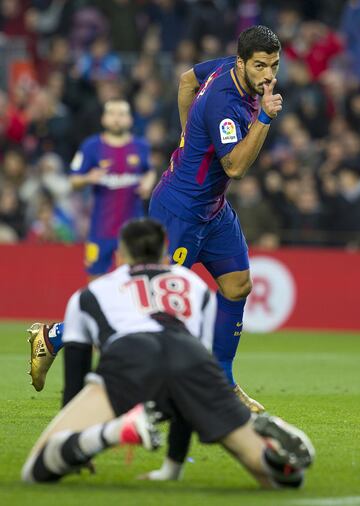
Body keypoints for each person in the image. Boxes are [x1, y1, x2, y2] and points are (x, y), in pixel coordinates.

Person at [22, 218, 314, 487]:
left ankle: (120, 430)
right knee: (279, 479)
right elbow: (189, 376)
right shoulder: (193, 286)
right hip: (192, 359)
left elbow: (76, 378)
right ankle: (267, 448)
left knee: (35, 471)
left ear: (119, 257)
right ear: (165, 253)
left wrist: (77, 440)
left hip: (130, 357)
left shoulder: (92, 293)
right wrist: (172, 468)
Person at [149, 25, 283, 412]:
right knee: (150, 310)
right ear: (242, 63)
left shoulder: (228, 67)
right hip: (180, 211)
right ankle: (57, 336)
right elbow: (236, 167)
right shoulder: (226, 103)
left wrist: (187, 134)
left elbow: (187, 80)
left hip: (213, 210)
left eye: (273, 66)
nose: (268, 76)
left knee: (238, 285)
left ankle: (223, 382)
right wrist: (266, 119)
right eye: (260, 66)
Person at [26, 99, 157, 390]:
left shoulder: (141, 147)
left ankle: (56, 339)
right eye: (112, 112)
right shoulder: (91, 147)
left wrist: (149, 179)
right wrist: (89, 177)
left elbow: (149, 170)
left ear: (129, 118)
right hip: (101, 232)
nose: (118, 116)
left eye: (123, 112)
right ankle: (65, 344)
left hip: (133, 236)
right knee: (97, 298)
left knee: (130, 296)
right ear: (104, 118)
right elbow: (72, 181)